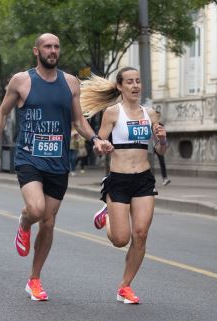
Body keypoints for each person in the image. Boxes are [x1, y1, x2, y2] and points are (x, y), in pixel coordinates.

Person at [0, 33, 113, 301]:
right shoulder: (21, 81)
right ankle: (24, 220)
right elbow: (1, 113)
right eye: (47, 47)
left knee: (50, 223)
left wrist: (96, 139)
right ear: (36, 51)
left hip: (58, 162)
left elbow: (78, 121)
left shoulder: (70, 82)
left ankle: (34, 280)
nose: (53, 51)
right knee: (37, 209)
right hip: (29, 158)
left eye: (56, 47)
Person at [80, 67, 167, 304]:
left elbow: (159, 150)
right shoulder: (112, 112)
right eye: (129, 82)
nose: (135, 86)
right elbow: (99, 142)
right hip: (118, 180)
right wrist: (103, 147)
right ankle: (107, 214)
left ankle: (125, 286)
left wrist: (162, 138)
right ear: (120, 86)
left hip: (143, 180)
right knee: (120, 239)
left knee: (140, 234)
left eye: (138, 81)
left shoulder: (150, 114)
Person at [154, 111, 170, 186]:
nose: (157, 118)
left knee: (162, 162)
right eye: (156, 116)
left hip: (159, 145)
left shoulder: (161, 125)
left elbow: (164, 136)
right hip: (150, 147)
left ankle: (165, 178)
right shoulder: (150, 124)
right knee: (149, 162)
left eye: (158, 116)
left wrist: (164, 143)